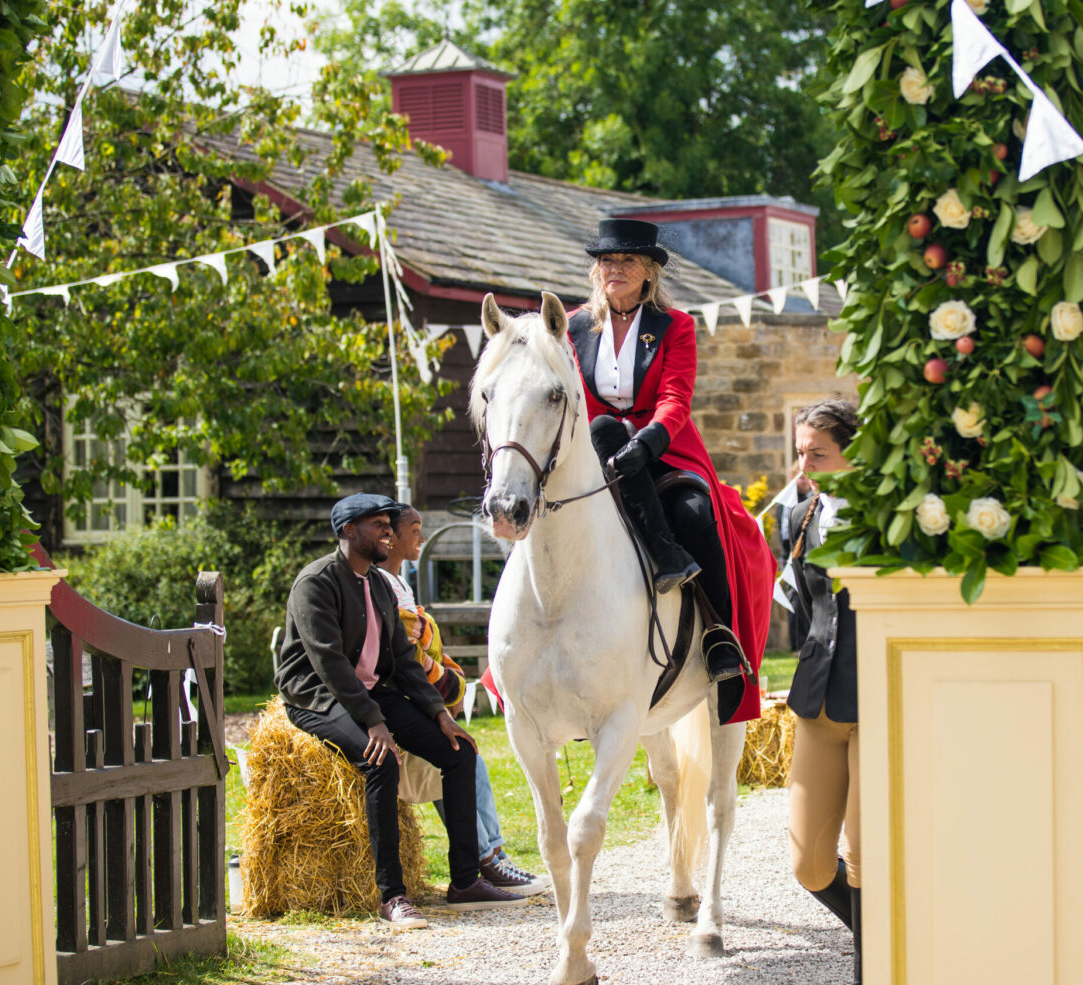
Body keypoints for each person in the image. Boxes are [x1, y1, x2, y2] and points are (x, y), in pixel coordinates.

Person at [273, 492, 528, 930]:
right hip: (318, 697)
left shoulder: (377, 583)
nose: (388, 533)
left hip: (371, 693)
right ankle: (392, 896)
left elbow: (403, 659)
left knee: (460, 752)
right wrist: (374, 723)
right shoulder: (315, 583)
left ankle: (465, 882)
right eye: (378, 525)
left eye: (389, 525)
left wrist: (439, 713)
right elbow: (330, 664)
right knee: (381, 762)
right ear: (348, 530)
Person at [566, 217, 775, 704]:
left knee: (697, 514)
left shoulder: (675, 325)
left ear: (648, 272)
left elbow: (676, 397)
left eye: (628, 261)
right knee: (592, 443)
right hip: (597, 448)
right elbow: (578, 399)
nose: (615, 269)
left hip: (664, 445)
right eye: (607, 261)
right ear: (596, 270)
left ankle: (720, 637)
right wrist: (614, 441)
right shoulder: (574, 326)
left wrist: (647, 442)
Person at [380, 505, 551, 896]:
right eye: (414, 530)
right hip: (401, 702)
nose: (421, 537)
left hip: (420, 698)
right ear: (391, 536)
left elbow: (428, 646)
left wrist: (448, 681)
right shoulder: (383, 585)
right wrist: (449, 688)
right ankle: (484, 859)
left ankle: (494, 856)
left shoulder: (399, 583)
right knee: (455, 759)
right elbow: (411, 653)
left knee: (469, 760)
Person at [785, 398, 863, 983]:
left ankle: (876, 968)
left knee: (864, 861)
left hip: (879, 699)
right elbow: (807, 609)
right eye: (800, 452)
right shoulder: (797, 517)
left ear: (853, 455)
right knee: (809, 865)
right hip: (816, 698)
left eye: (818, 454)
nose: (804, 465)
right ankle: (885, 933)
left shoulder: (893, 516)